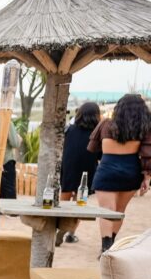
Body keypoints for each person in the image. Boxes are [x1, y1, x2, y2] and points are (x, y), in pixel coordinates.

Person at [88, 94, 151, 253]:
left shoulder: (105, 124)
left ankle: (106, 246)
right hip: (131, 171)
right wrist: (147, 178)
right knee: (119, 212)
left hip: (107, 170)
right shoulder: (144, 128)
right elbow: (147, 154)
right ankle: (111, 245)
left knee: (106, 211)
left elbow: (92, 148)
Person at [59, 102, 101, 243]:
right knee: (80, 202)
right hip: (87, 169)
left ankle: (59, 228)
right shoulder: (96, 133)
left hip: (69, 166)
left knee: (64, 198)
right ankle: (71, 234)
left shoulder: (69, 130)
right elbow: (100, 155)